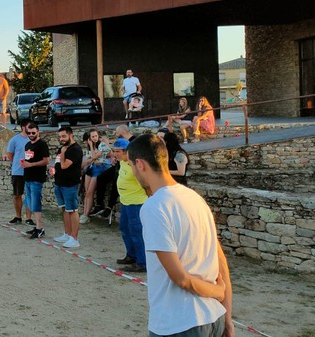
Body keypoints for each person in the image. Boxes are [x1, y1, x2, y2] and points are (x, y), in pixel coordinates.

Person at [128, 134, 234, 337]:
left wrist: (217, 292)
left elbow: (180, 278)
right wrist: (227, 318)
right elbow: (222, 265)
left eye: (132, 166)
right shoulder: (195, 198)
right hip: (214, 318)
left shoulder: (154, 207)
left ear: (140, 164)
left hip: (178, 323)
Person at [112, 137, 148, 273]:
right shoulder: (122, 162)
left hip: (136, 202)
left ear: (127, 151)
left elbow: (146, 181)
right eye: (114, 151)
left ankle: (142, 262)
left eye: (118, 151)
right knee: (125, 228)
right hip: (125, 201)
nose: (115, 154)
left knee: (136, 232)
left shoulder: (135, 165)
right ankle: (131, 255)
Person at [52, 126, 83, 248]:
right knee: (64, 209)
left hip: (70, 184)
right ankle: (67, 233)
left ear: (71, 135)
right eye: (60, 137)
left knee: (72, 210)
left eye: (64, 136)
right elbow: (57, 163)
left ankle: (74, 238)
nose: (61, 139)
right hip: (59, 182)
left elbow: (64, 165)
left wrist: (63, 154)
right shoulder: (62, 148)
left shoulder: (75, 150)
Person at [22, 122, 51, 239]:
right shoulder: (27, 144)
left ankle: (40, 227)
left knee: (35, 203)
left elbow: (46, 160)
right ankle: (37, 226)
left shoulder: (42, 144)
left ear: (38, 132)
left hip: (37, 178)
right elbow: (28, 159)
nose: (31, 134)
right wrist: (24, 164)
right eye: (29, 133)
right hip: (28, 177)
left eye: (33, 132)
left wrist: (31, 164)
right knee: (30, 202)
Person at [4, 118, 33, 226]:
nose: (30, 129)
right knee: (17, 195)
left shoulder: (33, 139)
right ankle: (18, 216)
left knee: (29, 195)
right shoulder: (15, 140)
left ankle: (29, 218)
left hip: (30, 171)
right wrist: (17, 163)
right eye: (29, 126)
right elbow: (10, 154)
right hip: (18, 171)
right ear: (23, 127)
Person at [80, 129, 112, 224]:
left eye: (95, 136)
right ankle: (85, 213)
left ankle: (86, 214)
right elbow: (89, 159)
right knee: (87, 192)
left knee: (90, 192)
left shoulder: (101, 145)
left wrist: (91, 146)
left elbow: (94, 156)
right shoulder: (90, 147)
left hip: (99, 168)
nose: (94, 138)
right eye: (92, 137)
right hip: (91, 167)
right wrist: (92, 158)